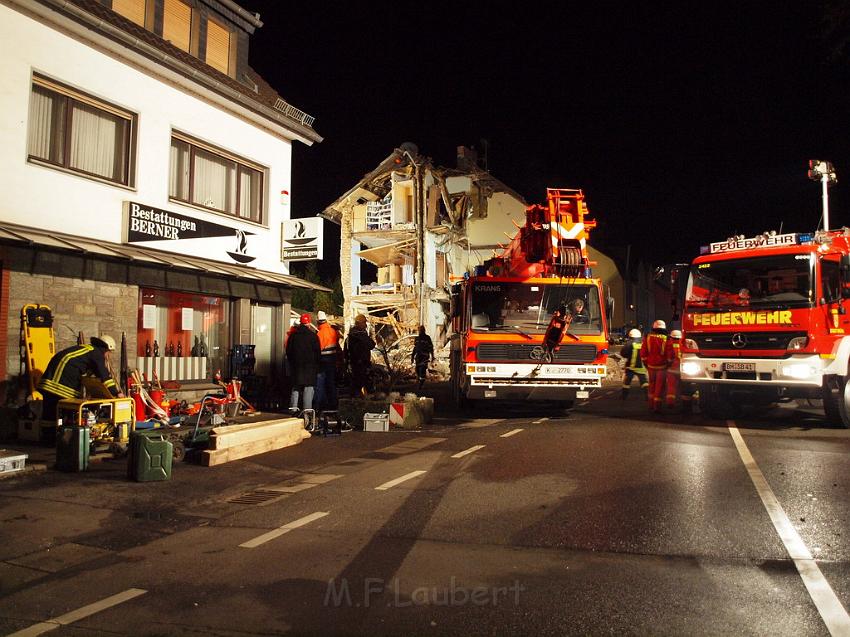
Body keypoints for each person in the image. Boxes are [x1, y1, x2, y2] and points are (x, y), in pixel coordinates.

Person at [37, 335, 121, 421]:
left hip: (48, 381)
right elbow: (105, 376)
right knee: (66, 416)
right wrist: (116, 393)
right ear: (106, 349)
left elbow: (88, 374)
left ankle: (47, 433)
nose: (109, 355)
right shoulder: (97, 354)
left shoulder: (87, 350)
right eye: (109, 352)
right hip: (59, 385)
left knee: (49, 416)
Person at [285, 313, 320, 415]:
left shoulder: (293, 336)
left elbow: (288, 351)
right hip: (309, 368)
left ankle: (293, 409)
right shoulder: (313, 336)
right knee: (308, 389)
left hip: (296, 367)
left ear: (300, 323)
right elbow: (317, 353)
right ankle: (307, 411)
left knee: (295, 387)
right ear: (308, 323)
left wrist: (293, 362)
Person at [315, 310, 341, 411]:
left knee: (320, 383)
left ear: (318, 322)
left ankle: (320, 405)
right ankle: (333, 404)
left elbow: (318, 349)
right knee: (331, 383)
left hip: (323, 361)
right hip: (332, 360)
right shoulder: (332, 331)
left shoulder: (320, 334)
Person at [344, 314, 375, 397]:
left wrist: (346, 364)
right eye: (364, 323)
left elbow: (346, 352)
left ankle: (354, 400)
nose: (365, 325)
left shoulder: (350, 337)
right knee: (362, 383)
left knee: (355, 384)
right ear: (359, 323)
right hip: (362, 365)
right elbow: (372, 345)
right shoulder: (361, 336)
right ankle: (361, 401)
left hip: (354, 364)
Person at [642, 319, 669, 413]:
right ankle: (657, 407)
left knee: (651, 385)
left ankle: (650, 405)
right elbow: (670, 355)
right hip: (662, 367)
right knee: (659, 387)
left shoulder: (647, 338)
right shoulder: (666, 339)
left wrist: (646, 364)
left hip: (650, 366)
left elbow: (643, 353)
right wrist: (668, 364)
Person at [664, 329, 690, 412]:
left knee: (671, 387)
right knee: (684, 387)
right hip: (683, 370)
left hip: (671, 369)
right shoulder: (684, 344)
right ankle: (687, 403)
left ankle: (670, 403)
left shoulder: (668, 344)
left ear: (671, 336)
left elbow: (666, 357)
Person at [620, 328, 648, 399]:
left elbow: (623, 353)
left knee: (627, 382)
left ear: (630, 336)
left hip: (631, 367)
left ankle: (624, 397)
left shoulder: (629, 343)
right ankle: (647, 395)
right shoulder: (643, 343)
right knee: (644, 382)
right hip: (641, 367)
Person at [411, 325, 435, 389]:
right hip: (418, 357)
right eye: (420, 330)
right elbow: (415, 348)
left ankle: (421, 384)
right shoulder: (417, 339)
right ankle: (419, 381)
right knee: (417, 369)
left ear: (424, 331)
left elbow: (431, 348)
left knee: (422, 370)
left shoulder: (427, 338)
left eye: (422, 330)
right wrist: (412, 357)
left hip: (425, 357)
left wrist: (432, 356)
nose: (421, 331)